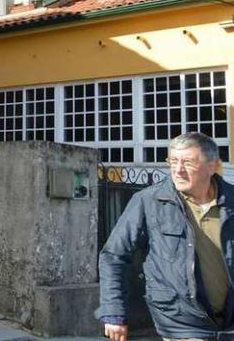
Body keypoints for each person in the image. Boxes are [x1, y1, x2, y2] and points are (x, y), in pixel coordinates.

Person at [97, 132, 233, 341]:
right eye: (173, 161)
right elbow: (113, 255)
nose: (178, 170)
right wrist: (113, 311)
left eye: (188, 162)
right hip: (181, 322)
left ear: (212, 166)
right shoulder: (149, 201)